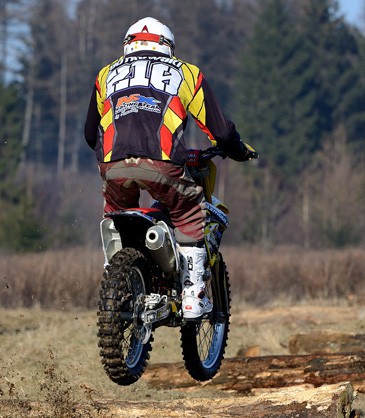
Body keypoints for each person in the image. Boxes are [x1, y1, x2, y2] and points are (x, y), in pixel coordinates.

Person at [83, 16, 255, 319]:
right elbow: (222, 133)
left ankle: (118, 282)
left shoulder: (106, 75)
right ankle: (192, 295)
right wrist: (238, 151)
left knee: (116, 215)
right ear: (168, 46)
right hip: (161, 163)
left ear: (127, 45)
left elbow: (89, 133)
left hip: (113, 166)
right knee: (189, 210)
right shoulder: (185, 72)